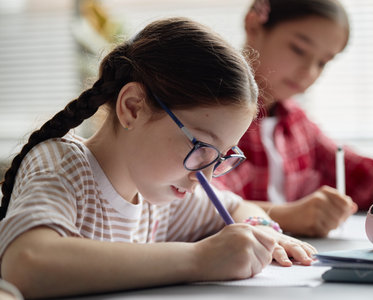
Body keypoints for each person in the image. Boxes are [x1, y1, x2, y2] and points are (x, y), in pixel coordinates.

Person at [0, 17, 316, 299]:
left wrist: (262, 233)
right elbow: (26, 263)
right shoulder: (61, 164)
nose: (204, 176)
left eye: (221, 157)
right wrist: (200, 260)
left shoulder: (161, 195)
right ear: (133, 107)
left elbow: (235, 207)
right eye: (202, 146)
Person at [214, 0, 373, 237]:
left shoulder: (297, 123)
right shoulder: (210, 117)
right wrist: (291, 216)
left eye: (323, 62)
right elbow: (201, 203)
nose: (309, 71)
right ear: (254, 26)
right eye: (298, 49)